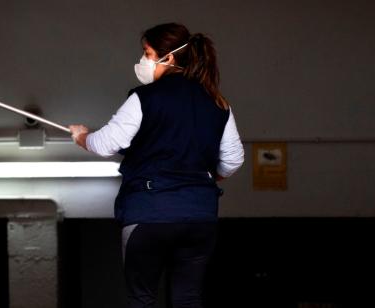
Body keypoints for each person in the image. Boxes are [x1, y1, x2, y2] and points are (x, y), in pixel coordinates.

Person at [69, 23, 244, 308]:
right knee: (188, 298)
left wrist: (81, 137)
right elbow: (233, 159)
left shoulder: (145, 98)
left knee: (142, 298)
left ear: (170, 57)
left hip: (149, 213)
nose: (143, 60)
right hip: (200, 216)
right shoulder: (217, 102)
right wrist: (204, 180)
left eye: (147, 53)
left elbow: (106, 144)